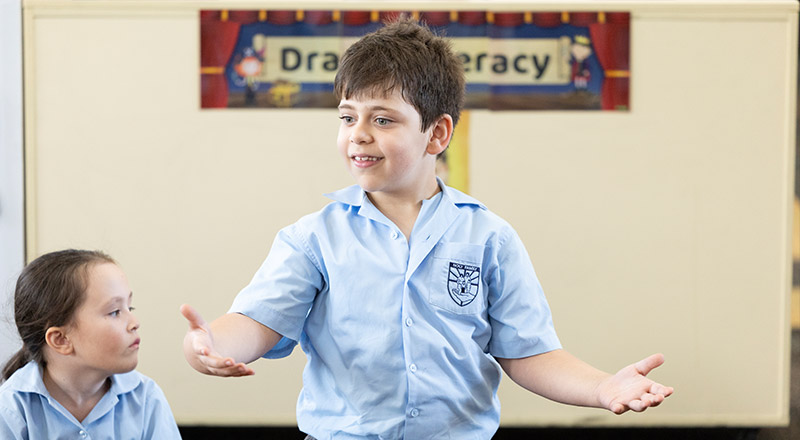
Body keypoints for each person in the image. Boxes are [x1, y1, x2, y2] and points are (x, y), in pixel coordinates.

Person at [181, 18, 673, 439]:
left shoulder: (490, 237)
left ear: (436, 133)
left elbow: (530, 354)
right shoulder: (312, 239)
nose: (358, 134)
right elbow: (258, 321)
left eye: (383, 120)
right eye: (348, 117)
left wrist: (603, 387)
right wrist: (210, 344)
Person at [0, 249, 182, 439]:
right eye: (115, 312)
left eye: (130, 307)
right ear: (61, 339)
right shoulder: (10, 409)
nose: (135, 322)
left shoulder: (146, 397)